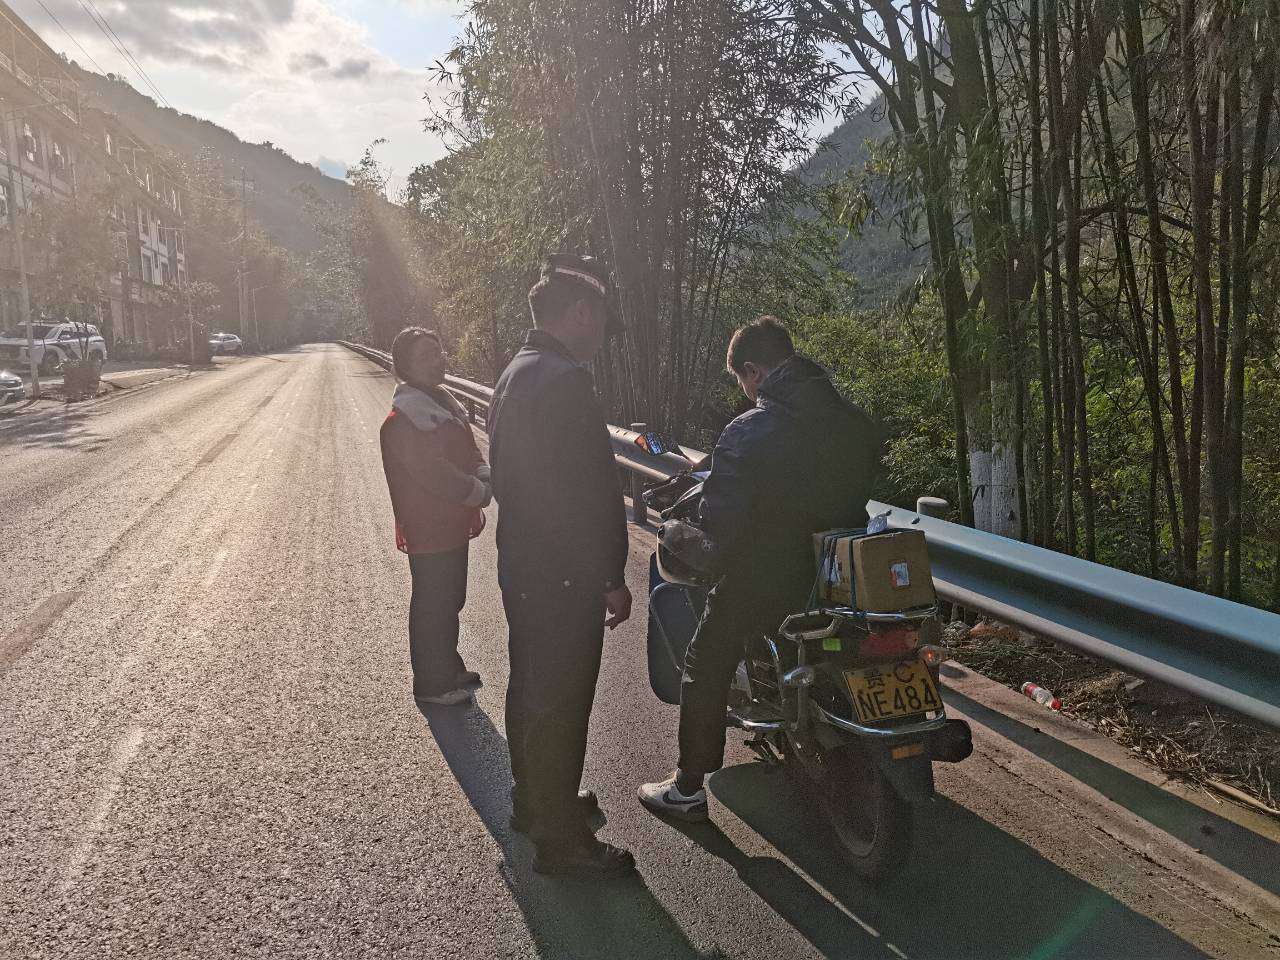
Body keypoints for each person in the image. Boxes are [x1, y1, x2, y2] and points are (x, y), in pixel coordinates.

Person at [638, 316, 883, 820]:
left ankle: (687, 788)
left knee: (705, 658)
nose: (745, 391)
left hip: (769, 576)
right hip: (840, 571)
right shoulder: (855, 422)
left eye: (741, 380)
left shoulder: (749, 429)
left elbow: (721, 521)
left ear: (753, 371)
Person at [487, 254, 635, 879]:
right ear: (580, 312)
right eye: (600, 320)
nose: (601, 336)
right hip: (562, 572)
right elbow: (588, 492)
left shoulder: (515, 372)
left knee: (531, 688)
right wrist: (609, 576)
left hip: (525, 563)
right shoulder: (566, 380)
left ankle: (535, 802)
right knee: (563, 702)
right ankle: (562, 843)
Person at [380, 326, 491, 708]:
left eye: (439, 351)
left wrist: (481, 471)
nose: (438, 360)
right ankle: (430, 682)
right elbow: (433, 471)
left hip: (452, 520)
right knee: (433, 600)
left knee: (451, 596)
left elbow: (466, 446)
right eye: (427, 355)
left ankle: (447, 665)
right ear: (405, 366)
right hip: (428, 524)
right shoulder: (403, 420)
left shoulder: (443, 403)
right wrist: (476, 490)